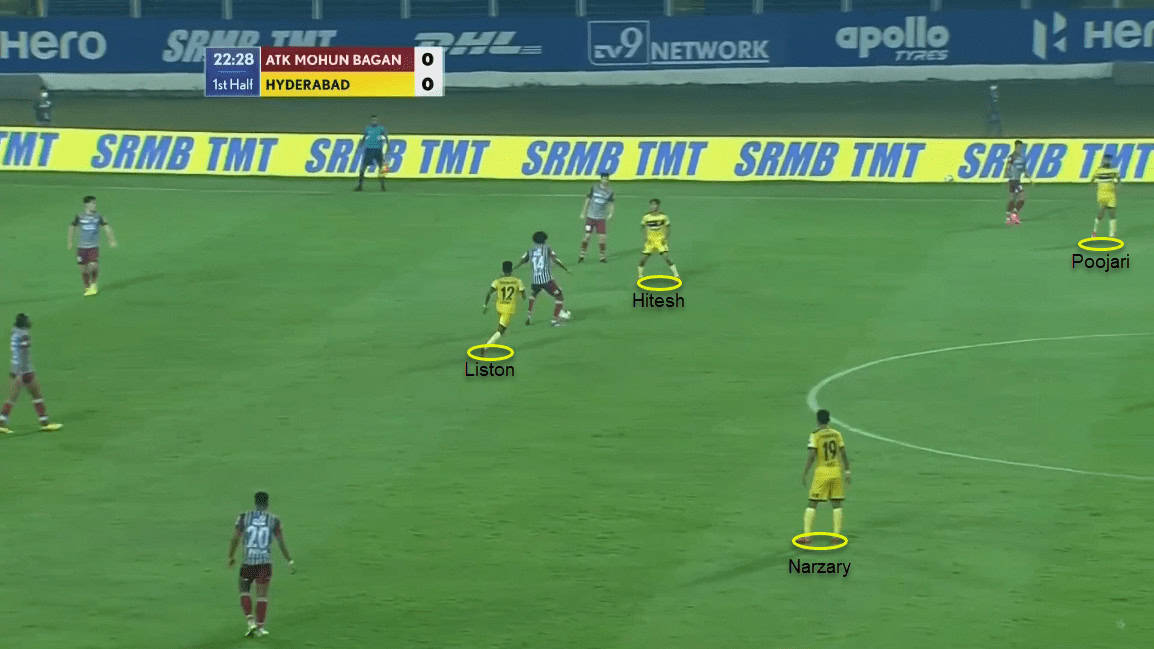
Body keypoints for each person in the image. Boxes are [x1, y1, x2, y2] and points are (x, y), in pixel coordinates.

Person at [228, 491, 294, 638]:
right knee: (262, 595)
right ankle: (260, 628)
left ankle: (250, 621)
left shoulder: (244, 517)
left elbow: (235, 539)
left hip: (248, 563)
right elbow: (281, 542)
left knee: (244, 590)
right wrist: (289, 559)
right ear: (267, 503)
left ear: (255, 502)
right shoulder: (274, 520)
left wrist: (231, 556)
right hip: (264, 563)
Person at [0, 313, 63, 434]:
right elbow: (23, 352)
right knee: (27, 396)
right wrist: (23, 372)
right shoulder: (24, 335)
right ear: (24, 323)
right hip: (23, 371)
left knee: (27, 396)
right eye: (28, 320)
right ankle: (44, 423)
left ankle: (44, 423)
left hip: (17, 369)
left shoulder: (15, 332)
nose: (30, 322)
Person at [799, 409, 850, 545]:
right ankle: (836, 536)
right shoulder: (836, 434)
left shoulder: (815, 435)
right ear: (829, 420)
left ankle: (806, 536)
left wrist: (805, 472)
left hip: (822, 473)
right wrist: (847, 471)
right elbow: (843, 453)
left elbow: (812, 456)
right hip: (836, 471)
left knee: (812, 503)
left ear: (817, 420)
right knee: (836, 503)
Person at [515, 231, 569, 327]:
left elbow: (522, 260)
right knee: (559, 296)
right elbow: (555, 260)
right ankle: (555, 320)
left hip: (535, 281)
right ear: (544, 240)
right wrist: (565, 268)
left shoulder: (530, 250)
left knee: (534, 294)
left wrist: (514, 268)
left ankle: (529, 316)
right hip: (546, 281)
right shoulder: (547, 248)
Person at [67, 195, 118, 296]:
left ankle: (94, 284)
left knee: (93, 265)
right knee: (83, 269)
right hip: (81, 247)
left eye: (95, 203)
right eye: (93, 203)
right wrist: (70, 241)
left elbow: (107, 227)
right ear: (86, 204)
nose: (95, 205)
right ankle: (87, 287)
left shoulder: (98, 216)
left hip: (93, 246)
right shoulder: (79, 216)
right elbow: (72, 227)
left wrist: (111, 240)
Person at [482, 261, 526, 350]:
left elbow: (489, 293)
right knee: (501, 330)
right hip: (508, 309)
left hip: (499, 307)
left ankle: (500, 331)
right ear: (511, 270)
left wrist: (485, 305)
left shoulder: (497, 281)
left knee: (502, 326)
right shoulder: (518, 281)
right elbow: (524, 296)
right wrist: (519, 294)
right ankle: (486, 347)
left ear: (502, 270)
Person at [637, 199, 679, 280]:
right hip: (650, 241)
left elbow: (668, 228)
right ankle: (640, 276)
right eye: (652, 205)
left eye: (655, 204)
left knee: (667, 258)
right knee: (643, 259)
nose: (653, 206)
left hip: (660, 240)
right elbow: (642, 227)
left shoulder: (663, 216)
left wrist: (665, 238)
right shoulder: (646, 217)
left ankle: (676, 275)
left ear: (658, 206)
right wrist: (645, 236)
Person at [578, 172, 614, 263]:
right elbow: (587, 200)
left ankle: (602, 256)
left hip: (601, 218)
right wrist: (583, 212)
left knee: (602, 238)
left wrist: (610, 213)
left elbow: (611, 203)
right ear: (601, 179)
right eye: (603, 179)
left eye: (606, 179)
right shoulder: (594, 188)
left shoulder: (610, 191)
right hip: (590, 217)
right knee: (587, 236)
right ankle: (582, 254)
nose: (605, 181)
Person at [354, 115, 389, 192]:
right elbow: (364, 138)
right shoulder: (367, 129)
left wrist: (388, 147)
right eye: (373, 120)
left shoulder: (381, 129)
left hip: (378, 150)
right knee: (363, 168)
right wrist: (359, 146)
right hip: (369, 150)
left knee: (381, 168)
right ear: (371, 121)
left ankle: (383, 186)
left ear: (377, 121)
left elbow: (386, 138)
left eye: (375, 120)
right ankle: (360, 186)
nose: (374, 122)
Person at [1090, 153, 1120, 238]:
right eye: (1105, 159)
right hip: (1102, 195)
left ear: (1110, 161)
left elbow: (1118, 180)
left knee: (1112, 214)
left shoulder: (1114, 170)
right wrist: (1098, 188)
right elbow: (1092, 180)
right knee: (1101, 213)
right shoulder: (1098, 171)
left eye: (1108, 160)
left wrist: (1115, 186)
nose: (1106, 161)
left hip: (1111, 195)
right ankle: (1094, 232)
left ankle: (1112, 234)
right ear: (1102, 160)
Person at [1004, 140, 1030, 226]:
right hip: (1014, 180)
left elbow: (1023, 168)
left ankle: (1008, 218)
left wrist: (1026, 174)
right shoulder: (1012, 156)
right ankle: (1014, 215)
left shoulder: (1022, 157)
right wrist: (1006, 174)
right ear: (1015, 147)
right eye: (1018, 147)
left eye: (1020, 147)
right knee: (1022, 197)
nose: (1019, 148)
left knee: (1012, 199)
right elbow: (1008, 166)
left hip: (1017, 180)